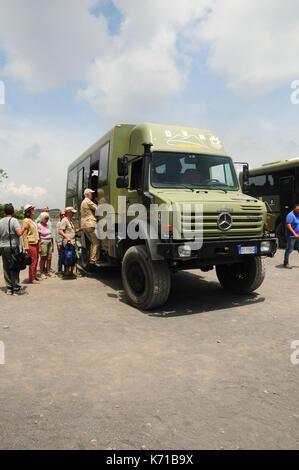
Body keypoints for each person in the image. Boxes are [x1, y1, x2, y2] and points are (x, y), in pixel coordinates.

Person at [0, 203, 26, 295]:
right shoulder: (14, 220)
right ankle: (16, 288)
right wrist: (23, 228)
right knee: (14, 266)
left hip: (3, 247)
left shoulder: (1, 221)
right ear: (13, 211)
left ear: (4, 212)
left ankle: (9, 288)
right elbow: (19, 233)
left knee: (6, 267)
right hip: (12, 247)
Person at [59, 207, 81, 278]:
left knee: (73, 257)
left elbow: (71, 230)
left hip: (72, 241)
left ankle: (71, 272)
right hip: (68, 242)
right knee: (68, 257)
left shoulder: (69, 220)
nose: (73, 213)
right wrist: (66, 237)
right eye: (72, 212)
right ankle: (67, 273)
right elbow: (60, 231)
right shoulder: (64, 220)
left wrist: (79, 229)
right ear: (68, 212)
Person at [80, 188, 100, 266]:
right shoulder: (88, 201)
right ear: (88, 194)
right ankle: (93, 259)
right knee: (96, 242)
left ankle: (92, 258)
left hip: (85, 225)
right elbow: (97, 208)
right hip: (90, 224)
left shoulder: (83, 202)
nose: (92, 195)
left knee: (92, 242)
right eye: (91, 194)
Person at [22, 204, 40, 283]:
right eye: (32, 209)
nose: (34, 211)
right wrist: (26, 247)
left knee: (36, 260)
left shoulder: (33, 220)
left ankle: (34, 275)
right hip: (31, 243)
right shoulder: (26, 221)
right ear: (29, 212)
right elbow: (24, 235)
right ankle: (31, 278)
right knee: (33, 261)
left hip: (36, 242)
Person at [36, 206, 54, 273]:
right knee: (43, 257)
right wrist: (38, 230)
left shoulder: (47, 222)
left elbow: (50, 231)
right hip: (43, 241)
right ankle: (42, 271)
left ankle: (48, 270)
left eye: (48, 211)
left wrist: (52, 242)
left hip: (49, 239)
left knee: (49, 257)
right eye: (46, 211)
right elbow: (35, 225)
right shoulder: (39, 221)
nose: (47, 212)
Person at [283, 203, 299, 268]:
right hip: (291, 236)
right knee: (289, 249)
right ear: (294, 208)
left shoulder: (298, 215)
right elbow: (288, 226)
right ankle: (286, 263)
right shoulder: (290, 215)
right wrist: (294, 234)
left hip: (298, 236)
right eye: (298, 209)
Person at [56, 210, 66, 275]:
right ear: (60, 216)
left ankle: (65, 270)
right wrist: (58, 243)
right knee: (60, 257)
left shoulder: (67, 222)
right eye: (62, 215)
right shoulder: (59, 223)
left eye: (64, 214)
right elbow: (57, 234)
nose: (63, 216)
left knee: (66, 256)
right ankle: (59, 270)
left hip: (66, 242)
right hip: (60, 242)